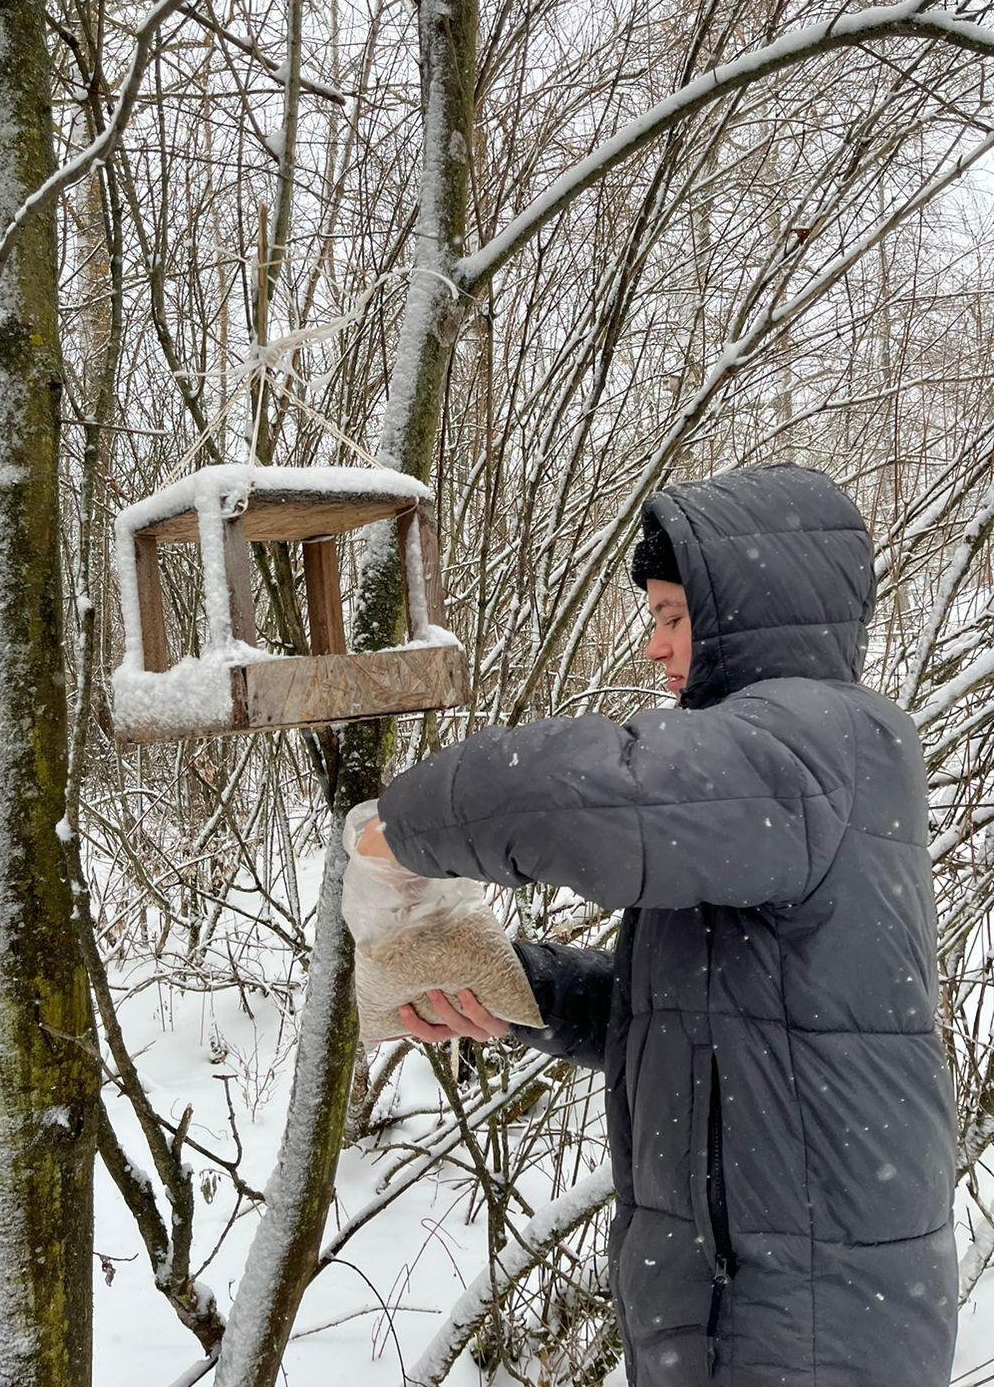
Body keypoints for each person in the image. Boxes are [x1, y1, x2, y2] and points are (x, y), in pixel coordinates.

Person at [352, 462, 958, 1386]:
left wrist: (401, 834)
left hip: (808, 1323)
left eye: (672, 616)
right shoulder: (764, 794)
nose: (653, 647)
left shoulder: (822, 744)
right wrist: (518, 988)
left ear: (748, 614)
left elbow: (594, 795)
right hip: (744, 1310)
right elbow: (685, 1023)